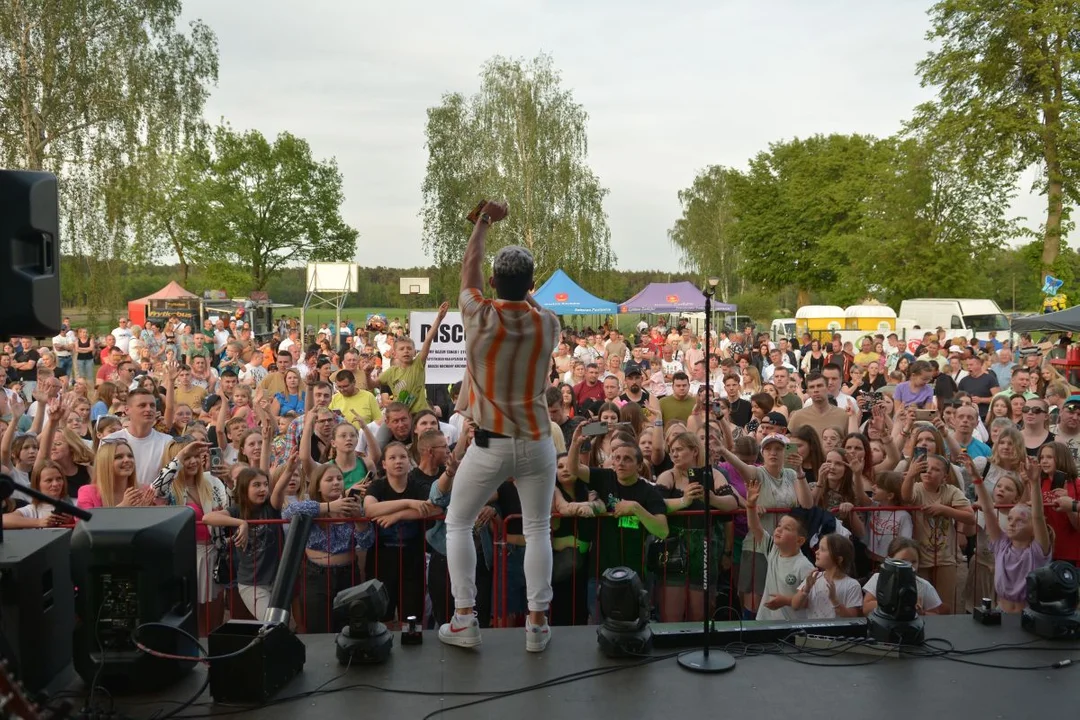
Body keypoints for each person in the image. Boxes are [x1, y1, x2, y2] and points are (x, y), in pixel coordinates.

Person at [440, 201, 562, 653]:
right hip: (537, 441)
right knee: (537, 530)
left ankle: (465, 619)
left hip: (489, 444)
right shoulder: (548, 324)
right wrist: (522, 287)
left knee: (458, 523)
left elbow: (468, 269)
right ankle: (536, 625)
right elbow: (522, 297)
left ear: (493, 284)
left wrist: (483, 222)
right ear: (532, 286)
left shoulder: (478, 314)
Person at [203, 462, 291, 619]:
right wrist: (241, 522)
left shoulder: (271, 507)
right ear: (244, 489)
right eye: (256, 485)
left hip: (277, 582)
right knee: (272, 622)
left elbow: (278, 490)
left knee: (278, 626)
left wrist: (290, 468)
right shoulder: (237, 510)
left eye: (265, 484)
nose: (263, 489)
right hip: (253, 584)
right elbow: (207, 518)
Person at [973, 457, 1050, 613]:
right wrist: (976, 479)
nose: (1012, 523)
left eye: (1020, 520)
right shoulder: (1002, 544)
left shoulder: (1037, 551)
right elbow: (988, 509)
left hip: (1029, 614)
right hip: (1001, 611)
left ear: (1033, 528)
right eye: (1010, 519)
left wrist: (1034, 483)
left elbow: (1038, 515)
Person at [900, 453, 975, 614]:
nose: (929, 472)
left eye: (935, 469)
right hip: (920, 557)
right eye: (926, 468)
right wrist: (911, 475)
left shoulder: (951, 491)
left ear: (945, 477)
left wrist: (944, 509)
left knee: (945, 604)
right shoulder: (917, 488)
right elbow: (906, 496)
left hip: (946, 556)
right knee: (920, 602)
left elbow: (970, 516)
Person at [744, 473, 814, 621]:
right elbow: (755, 526)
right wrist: (750, 505)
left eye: (787, 528)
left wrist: (786, 601)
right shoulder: (773, 550)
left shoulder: (804, 566)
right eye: (779, 525)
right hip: (765, 620)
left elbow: (809, 602)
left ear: (800, 540)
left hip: (791, 626)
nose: (779, 530)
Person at [377, 302, 448, 413]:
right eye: (402, 349)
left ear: (415, 352)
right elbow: (372, 384)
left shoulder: (418, 364)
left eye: (409, 348)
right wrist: (367, 374)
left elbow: (428, 340)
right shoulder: (390, 372)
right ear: (394, 353)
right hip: (400, 416)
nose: (406, 351)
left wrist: (439, 318)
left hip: (419, 415)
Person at [862, 537, 943, 616]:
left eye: (914, 562)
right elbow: (866, 608)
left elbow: (936, 615)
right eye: (903, 561)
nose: (909, 566)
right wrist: (897, 603)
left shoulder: (924, 586)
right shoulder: (878, 578)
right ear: (889, 560)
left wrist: (922, 613)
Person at [790, 533, 862, 618]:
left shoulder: (852, 585)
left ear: (839, 559)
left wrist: (835, 601)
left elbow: (853, 618)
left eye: (823, 549)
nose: (816, 552)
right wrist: (806, 589)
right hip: (813, 631)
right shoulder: (814, 577)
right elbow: (795, 605)